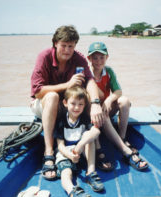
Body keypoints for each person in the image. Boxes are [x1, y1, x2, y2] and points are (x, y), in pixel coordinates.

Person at [30, 25, 104, 180]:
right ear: (55, 43)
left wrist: (96, 103)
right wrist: (67, 85)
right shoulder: (44, 57)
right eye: (63, 45)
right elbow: (37, 91)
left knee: (89, 98)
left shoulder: (79, 58)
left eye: (71, 46)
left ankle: (97, 148)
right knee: (52, 97)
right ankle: (49, 151)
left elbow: (90, 80)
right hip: (45, 105)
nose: (67, 50)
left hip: (69, 106)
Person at [87, 42, 148, 171]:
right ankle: (108, 149)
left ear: (107, 57)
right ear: (89, 59)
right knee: (99, 113)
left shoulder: (108, 71)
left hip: (106, 109)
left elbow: (118, 91)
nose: (98, 61)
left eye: (101, 57)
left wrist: (109, 100)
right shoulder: (86, 74)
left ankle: (122, 137)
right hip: (91, 112)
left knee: (124, 101)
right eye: (95, 57)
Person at [55, 86, 104, 196]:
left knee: (90, 136)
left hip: (81, 152)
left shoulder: (85, 119)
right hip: (66, 153)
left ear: (84, 105)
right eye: (73, 103)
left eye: (81, 104)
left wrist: (80, 145)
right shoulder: (61, 121)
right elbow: (60, 146)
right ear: (65, 103)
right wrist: (70, 155)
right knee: (66, 173)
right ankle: (72, 190)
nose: (77, 107)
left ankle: (91, 172)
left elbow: (96, 132)